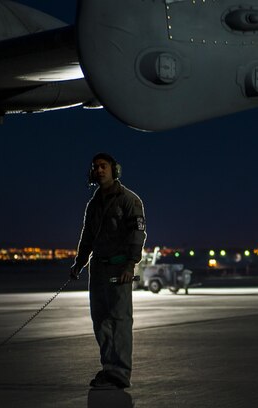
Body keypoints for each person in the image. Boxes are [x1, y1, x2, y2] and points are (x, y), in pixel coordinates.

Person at [70, 153, 147, 389]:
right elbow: (88, 237)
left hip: (119, 267)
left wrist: (130, 264)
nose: (99, 170)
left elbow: (137, 233)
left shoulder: (129, 200)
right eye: (96, 167)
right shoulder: (94, 204)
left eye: (103, 166)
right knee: (100, 320)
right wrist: (79, 263)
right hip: (99, 268)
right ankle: (109, 368)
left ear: (114, 170)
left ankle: (121, 372)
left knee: (120, 320)